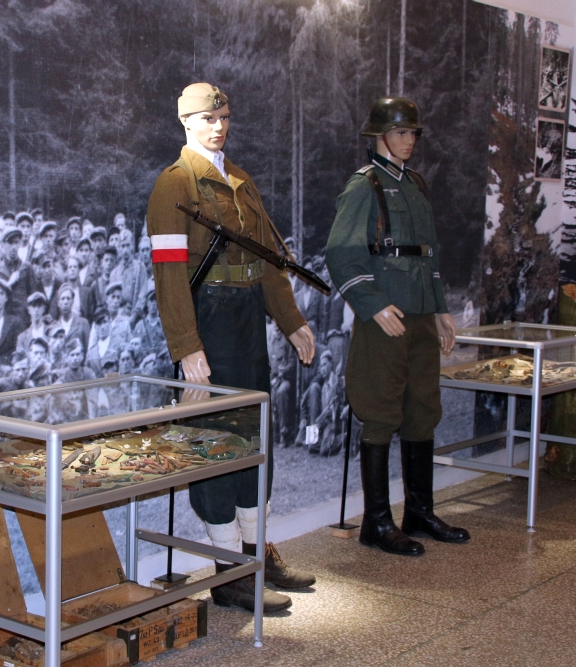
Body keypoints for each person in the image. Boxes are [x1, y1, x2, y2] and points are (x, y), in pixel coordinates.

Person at [146, 82, 317, 613]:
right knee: (216, 441)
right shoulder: (175, 183)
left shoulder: (240, 180)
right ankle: (228, 574)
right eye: (207, 118)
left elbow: (267, 259)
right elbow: (169, 274)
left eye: (223, 117)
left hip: (246, 321)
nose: (218, 126)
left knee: (253, 436)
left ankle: (253, 555)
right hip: (209, 320)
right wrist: (187, 346)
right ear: (185, 122)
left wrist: (290, 320)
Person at [324, 97, 469, 557]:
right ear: (379, 135)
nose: (409, 141)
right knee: (381, 411)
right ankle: (377, 521)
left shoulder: (415, 184)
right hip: (385, 316)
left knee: (422, 408)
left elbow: (429, 252)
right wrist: (373, 304)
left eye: (413, 133)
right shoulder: (364, 185)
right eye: (401, 132)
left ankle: (420, 512)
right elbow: (341, 254)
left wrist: (440, 307)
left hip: (421, 314)